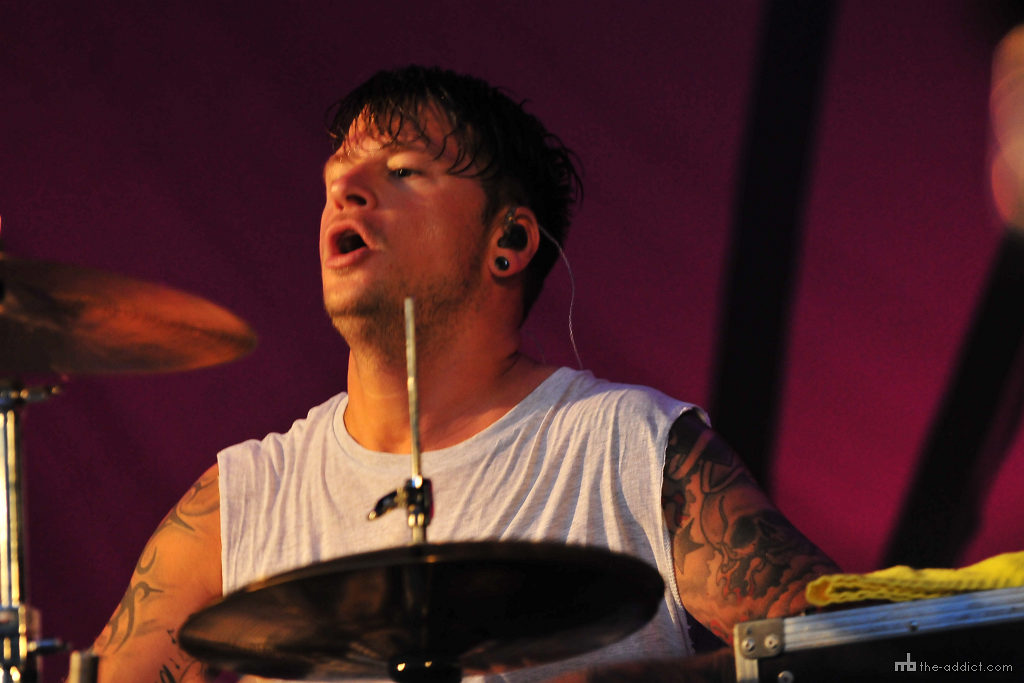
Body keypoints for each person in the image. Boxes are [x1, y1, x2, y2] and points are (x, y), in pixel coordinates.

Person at [90, 65, 840, 682]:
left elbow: (861, 647)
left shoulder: (627, 448)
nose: (345, 191)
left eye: (402, 171)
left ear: (509, 240)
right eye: (335, 178)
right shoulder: (242, 500)